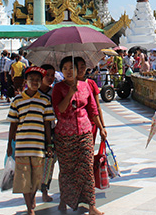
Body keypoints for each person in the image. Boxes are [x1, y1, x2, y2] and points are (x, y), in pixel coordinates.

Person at [51, 56, 106, 215]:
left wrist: (101, 128)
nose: (69, 71)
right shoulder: (58, 88)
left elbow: (93, 109)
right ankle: (64, 199)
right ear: (61, 71)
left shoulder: (85, 86)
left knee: (87, 168)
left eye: (72, 68)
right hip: (64, 135)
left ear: (77, 70)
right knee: (67, 169)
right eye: (65, 68)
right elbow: (59, 110)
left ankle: (91, 205)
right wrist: (69, 93)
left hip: (84, 132)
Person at [7, 66, 55, 215]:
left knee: (36, 178)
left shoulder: (45, 101)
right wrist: (10, 144)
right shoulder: (17, 100)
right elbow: (13, 124)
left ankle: (32, 199)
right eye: (32, 79)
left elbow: (47, 124)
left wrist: (49, 144)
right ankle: (29, 209)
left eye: (38, 80)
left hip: (38, 145)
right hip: (22, 146)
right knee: (23, 178)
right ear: (26, 81)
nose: (35, 82)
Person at [74, 57, 106, 144]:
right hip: (75, 125)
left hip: (91, 123)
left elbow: (97, 107)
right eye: (77, 67)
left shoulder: (91, 84)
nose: (80, 70)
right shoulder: (69, 85)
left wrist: (102, 127)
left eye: (82, 66)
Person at [38, 64, 57, 203]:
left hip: (51, 131)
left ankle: (45, 189)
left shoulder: (53, 93)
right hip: (36, 132)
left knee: (50, 161)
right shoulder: (34, 93)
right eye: (47, 75)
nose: (50, 78)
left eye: (52, 75)